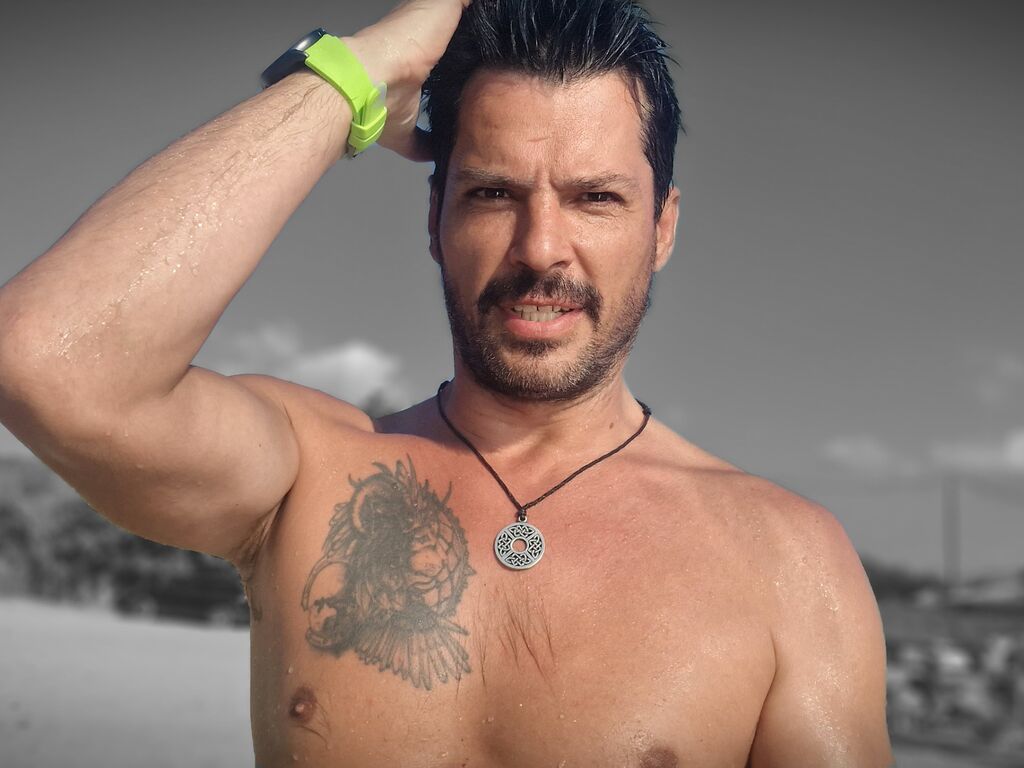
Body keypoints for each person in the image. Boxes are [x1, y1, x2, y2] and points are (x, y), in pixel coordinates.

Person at [0, 0, 893, 764]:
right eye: (494, 194)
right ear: (434, 218)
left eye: (595, 198)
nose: (541, 248)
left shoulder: (786, 561)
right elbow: (47, 361)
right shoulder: (312, 473)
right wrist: (357, 71)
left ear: (662, 228)